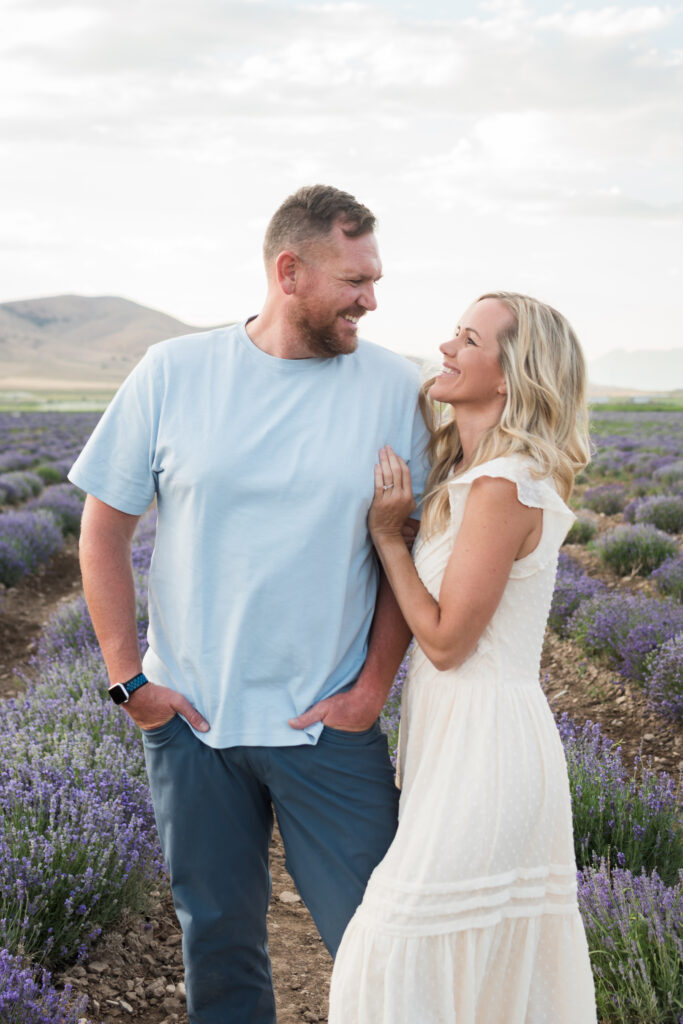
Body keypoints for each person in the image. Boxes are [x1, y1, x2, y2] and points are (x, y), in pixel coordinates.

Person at [68, 184, 430, 1024]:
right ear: (289, 271)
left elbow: (405, 549)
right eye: (355, 280)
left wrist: (372, 688)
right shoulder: (174, 372)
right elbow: (101, 533)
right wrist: (132, 685)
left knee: (380, 943)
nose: (371, 301)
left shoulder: (393, 386)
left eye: (375, 280)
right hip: (192, 725)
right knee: (219, 946)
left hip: (327, 726)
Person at [328, 291, 598, 1023]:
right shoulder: (472, 475)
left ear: (510, 374)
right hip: (457, 735)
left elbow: (445, 643)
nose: (445, 349)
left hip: (488, 743)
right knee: (464, 950)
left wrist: (389, 539)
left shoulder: (502, 484)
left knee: (398, 937)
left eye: (466, 338)